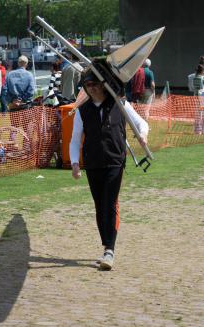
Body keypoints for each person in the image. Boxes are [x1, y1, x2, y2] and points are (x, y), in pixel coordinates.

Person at [69, 70, 149, 270]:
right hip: (93, 162)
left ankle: (109, 250)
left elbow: (141, 123)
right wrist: (74, 163)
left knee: (110, 202)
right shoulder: (82, 110)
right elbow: (75, 139)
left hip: (115, 160)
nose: (93, 88)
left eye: (96, 84)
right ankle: (106, 245)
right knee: (99, 205)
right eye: (88, 85)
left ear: (104, 84)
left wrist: (143, 136)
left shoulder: (119, 103)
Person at [3, 55, 35, 151]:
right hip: (25, 105)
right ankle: (26, 147)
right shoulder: (29, 75)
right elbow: (31, 91)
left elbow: (5, 90)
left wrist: (12, 101)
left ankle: (13, 146)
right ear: (26, 64)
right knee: (27, 127)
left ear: (18, 63)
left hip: (13, 105)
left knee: (14, 126)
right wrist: (22, 99)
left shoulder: (10, 74)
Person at [192, 64, 204, 134]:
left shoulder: (195, 78)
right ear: (202, 71)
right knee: (203, 114)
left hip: (196, 97)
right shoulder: (203, 78)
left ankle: (197, 131)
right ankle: (203, 130)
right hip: (202, 98)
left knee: (197, 114)